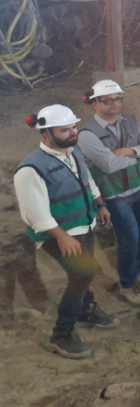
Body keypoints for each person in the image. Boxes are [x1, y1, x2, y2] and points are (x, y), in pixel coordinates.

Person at [16, 105, 116, 358]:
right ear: (45, 134)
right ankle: (61, 335)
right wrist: (62, 236)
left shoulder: (73, 151)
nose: (73, 132)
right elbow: (33, 213)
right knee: (83, 274)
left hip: (84, 224)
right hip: (57, 234)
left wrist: (100, 204)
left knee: (84, 272)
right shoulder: (31, 168)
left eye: (73, 126)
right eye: (65, 129)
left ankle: (85, 310)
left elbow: (87, 180)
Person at [76, 79, 140, 307]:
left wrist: (128, 150)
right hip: (114, 194)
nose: (115, 104)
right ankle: (127, 284)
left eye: (118, 99)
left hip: (138, 187)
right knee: (128, 238)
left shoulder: (131, 122)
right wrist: (138, 154)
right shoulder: (86, 134)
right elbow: (108, 165)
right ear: (94, 103)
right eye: (108, 100)